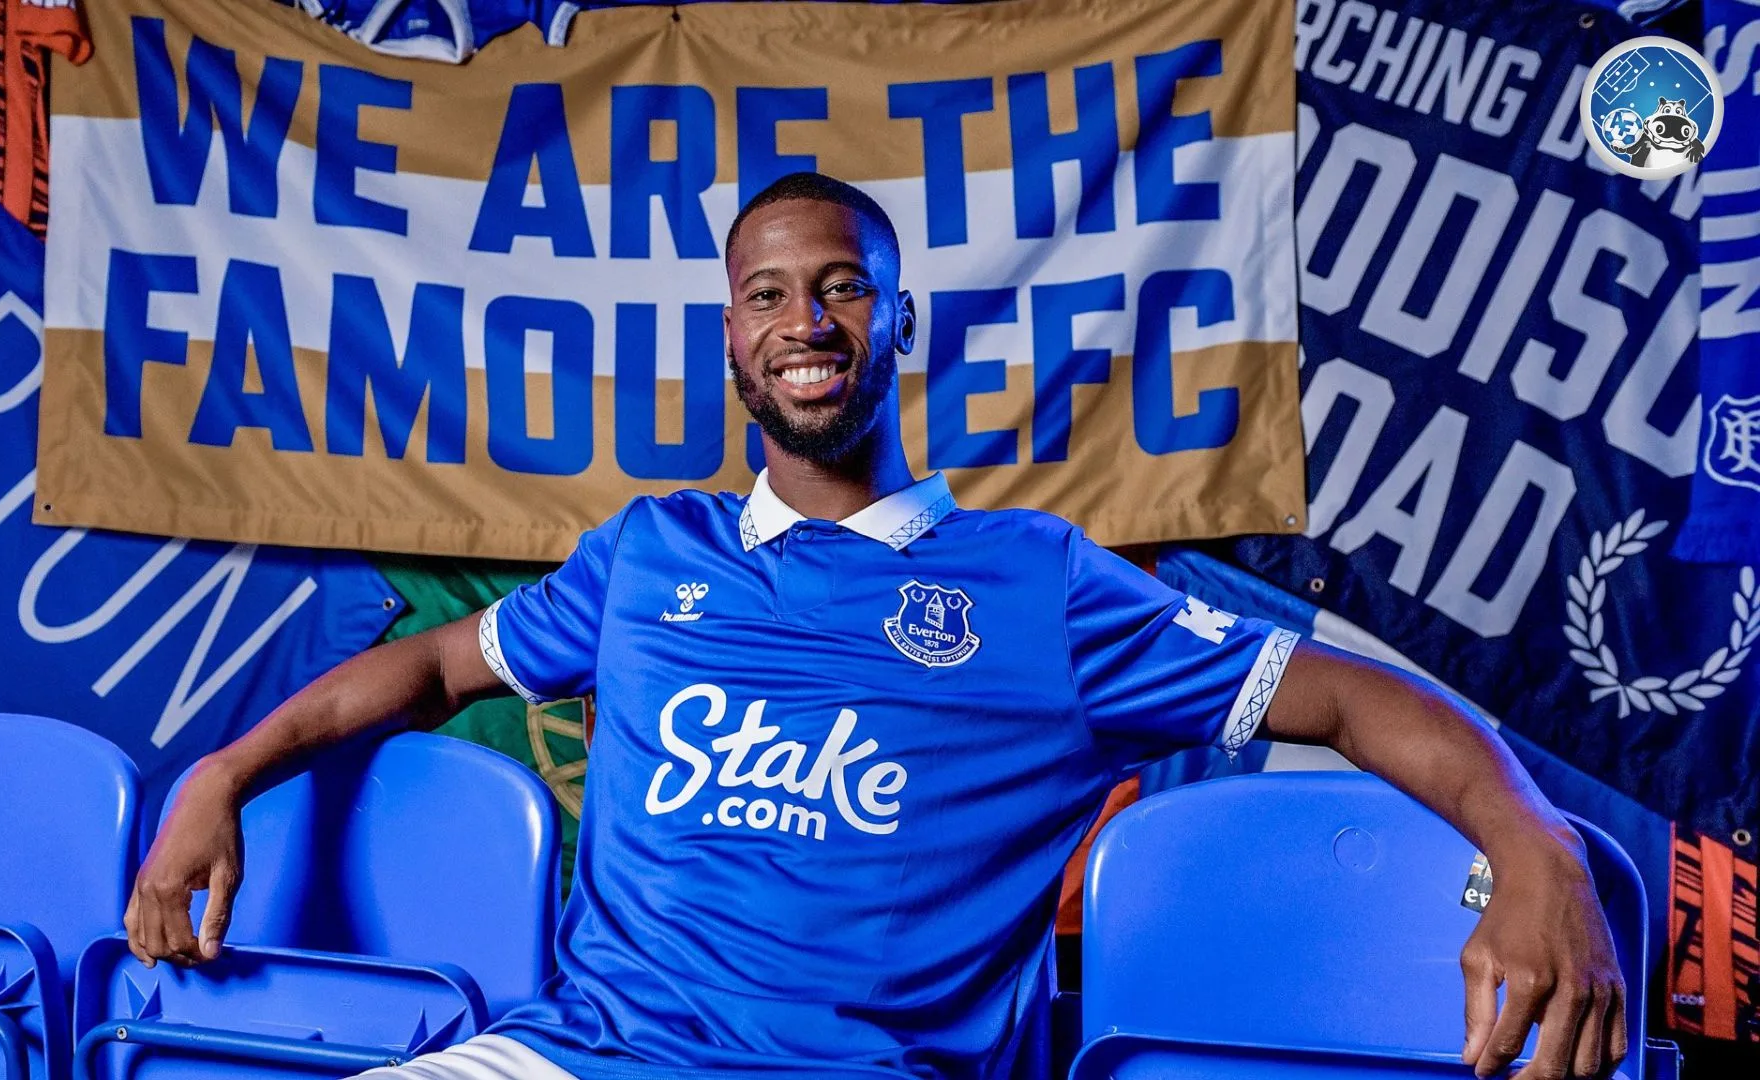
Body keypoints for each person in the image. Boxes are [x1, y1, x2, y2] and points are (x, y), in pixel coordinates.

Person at [126, 172, 1628, 1080]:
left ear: (901, 320)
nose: (807, 320)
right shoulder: (653, 553)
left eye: (843, 287)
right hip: (581, 1054)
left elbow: (1359, 706)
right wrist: (219, 777)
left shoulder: (1040, 585)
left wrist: (1535, 844)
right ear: (731, 337)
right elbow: (435, 664)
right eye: (768, 293)